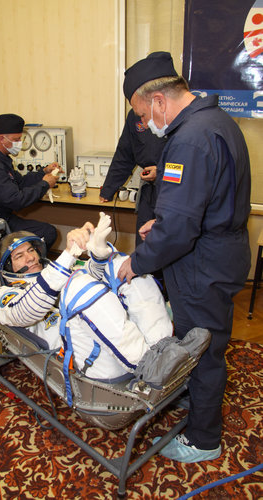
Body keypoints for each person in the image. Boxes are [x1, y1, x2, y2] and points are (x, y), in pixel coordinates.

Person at [117, 51, 251, 463]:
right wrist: (162, 226)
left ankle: (203, 439)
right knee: (202, 338)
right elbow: (206, 202)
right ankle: (193, 402)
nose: (145, 124)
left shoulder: (188, 140)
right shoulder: (216, 121)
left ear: (158, 101)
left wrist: (136, 262)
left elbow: (181, 227)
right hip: (221, 248)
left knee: (202, 348)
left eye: (143, 114)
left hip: (203, 263)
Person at [0, 212, 173, 382]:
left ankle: (163, 347)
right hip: (86, 359)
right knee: (78, 285)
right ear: (7, 267)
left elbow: (92, 274)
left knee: (122, 266)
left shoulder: (55, 271)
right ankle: (148, 365)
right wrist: (67, 255)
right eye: (19, 256)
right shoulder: (5, 295)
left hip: (116, 343)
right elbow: (26, 311)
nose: (30, 258)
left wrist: (99, 255)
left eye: (31, 250)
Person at [0, 113, 61, 250]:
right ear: (2, 139)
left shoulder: (0, 159)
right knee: (48, 232)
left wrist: (44, 172)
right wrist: (45, 184)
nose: (20, 143)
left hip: (1, 219)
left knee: (45, 230)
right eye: (16, 139)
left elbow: (21, 182)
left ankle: (21, 262)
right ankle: (21, 266)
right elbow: (16, 200)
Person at [99, 108, 166, 246]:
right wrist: (108, 189)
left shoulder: (176, 113)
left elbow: (189, 165)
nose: (144, 121)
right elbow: (125, 153)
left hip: (172, 192)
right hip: (148, 191)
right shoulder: (135, 113)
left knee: (167, 245)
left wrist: (161, 172)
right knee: (144, 242)